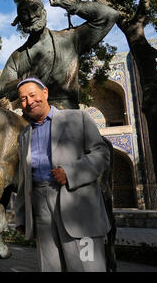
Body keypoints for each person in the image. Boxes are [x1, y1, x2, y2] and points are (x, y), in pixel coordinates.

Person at [14, 77, 111, 272]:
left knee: (87, 265)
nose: (29, 101)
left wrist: (71, 172)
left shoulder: (77, 119)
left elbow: (102, 154)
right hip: (41, 207)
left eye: (32, 95)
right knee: (51, 266)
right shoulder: (24, 135)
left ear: (45, 93)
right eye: (23, 99)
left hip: (78, 207)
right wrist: (22, 216)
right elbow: (23, 179)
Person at [0, 0, 119, 110]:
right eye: (24, 14)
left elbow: (109, 15)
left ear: (44, 12)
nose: (31, 16)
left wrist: (69, 4)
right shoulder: (17, 57)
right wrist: (27, 79)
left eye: (34, 9)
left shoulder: (69, 39)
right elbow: (2, 90)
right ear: (19, 21)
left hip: (68, 119)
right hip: (33, 121)